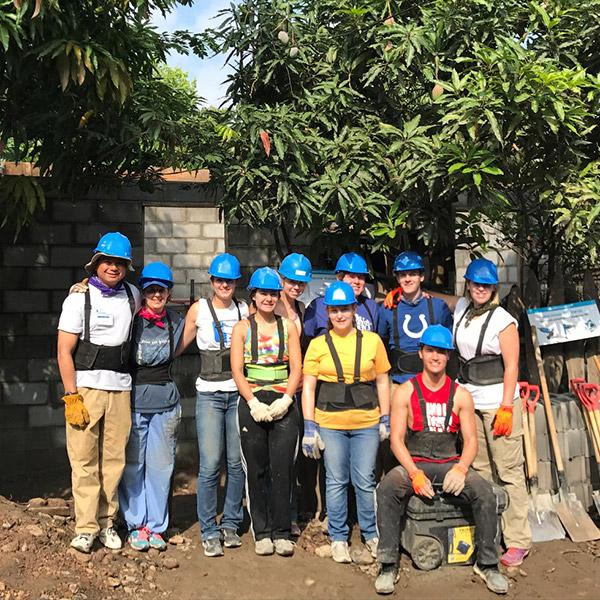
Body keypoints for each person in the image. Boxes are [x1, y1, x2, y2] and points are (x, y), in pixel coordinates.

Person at [374, 325, 508, 595]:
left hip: (449, 462)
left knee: (485, 492)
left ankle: (488, 563)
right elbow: (396, 440)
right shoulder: (405, 391)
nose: (436, 356)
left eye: (441, 352)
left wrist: (460, 468)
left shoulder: (460, 395)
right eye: (430, 350)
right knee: (387, 488)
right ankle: (388, 563)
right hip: (415, 463)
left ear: (449, 357)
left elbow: (470, 441)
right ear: (421, 353)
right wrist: (413, 473)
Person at [57, 232, 141, 553]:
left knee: (114, 460)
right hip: (86, 391)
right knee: (83, 459)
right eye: (107, 261)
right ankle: (85, 528)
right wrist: (71, 395)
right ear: (96, 263)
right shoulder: (78, 298)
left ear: (126, 267)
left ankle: (108, 523)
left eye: (119, 262)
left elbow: (160, 299)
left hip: (120, 390)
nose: (113, 267)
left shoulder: (132, 295)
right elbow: (64, 351)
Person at [301, 281, 391, 564]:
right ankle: (339, 537)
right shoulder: (317, 345)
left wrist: (385, 417)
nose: (340, 315)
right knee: (336, 480)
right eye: (335, 310)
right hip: (330, 421)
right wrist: (309, 426)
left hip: (366, 420)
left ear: (354, 309)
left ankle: (370, 533)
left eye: (345, 309)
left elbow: (382, 380)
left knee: (365, 480)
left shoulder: (372, 341)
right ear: (327, 312)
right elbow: (308, 387)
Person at [452, 258, 532, 567]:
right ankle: (489, 533)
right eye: (476, 284)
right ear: (468, 286)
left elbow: (512, 365)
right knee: (481, 470)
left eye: (486, 285)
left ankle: (518, 540)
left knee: (508, 470)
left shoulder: (503, 320)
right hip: (469, 401)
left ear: (493, 288)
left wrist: (506, 407)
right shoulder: (462, 309)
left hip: (499, 401)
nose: (481, 289)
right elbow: (442, 299)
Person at [179, 253, 249, 557]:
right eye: (219, 279)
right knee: (209, 465)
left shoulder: (244, 309)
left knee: (236, 463)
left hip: (237, 393)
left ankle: (231, 523)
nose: (224, 285)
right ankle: (208, 529)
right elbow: (178, 344)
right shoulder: (199, 310)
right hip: (209, 393)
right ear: (211, 281)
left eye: (229, 280)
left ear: (236, 283)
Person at [230, 267, 302, 557]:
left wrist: (286, 399)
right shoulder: (242, 328)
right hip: (253, 402)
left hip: (282, 400)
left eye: (273, 293)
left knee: (283, 467)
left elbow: (297, 367)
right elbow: (237, 369)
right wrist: (252, 402)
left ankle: (282, 531)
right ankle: (261, 531)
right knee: (256, 468)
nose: (269, 298)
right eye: (263, 293)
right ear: (254, 295)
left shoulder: (288, 327)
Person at [118, 262, 185, 552]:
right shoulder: (131, 320)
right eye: (151, 290)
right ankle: (136, 524)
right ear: (143, 293)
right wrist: (81, 285)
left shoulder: (176, 321)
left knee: (161, 466)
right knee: (134, 465)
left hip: (166, 404)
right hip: (134, 402)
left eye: (162, 290)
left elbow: (208, 311)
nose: (157, 295)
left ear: (169, 293)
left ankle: (156, 526)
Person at [378, 251, 453, 385]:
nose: (407, 279)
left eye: (413, 274)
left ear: (422, 277)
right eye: (403, 275)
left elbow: (450, 345)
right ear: (397, 279)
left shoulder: (438, 307)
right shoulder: (388, 308)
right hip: (398, 382)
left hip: (432, 382)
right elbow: (381, 344)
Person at [277, 252, 313, 535]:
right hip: (274, 388)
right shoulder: (269, 306)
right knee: (277, 453)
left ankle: (291, 512)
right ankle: (276, 512)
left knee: (294, 454)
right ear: (282, 279)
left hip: (299, 389)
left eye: (300, 283)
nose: (296, 287)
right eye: (291, 281)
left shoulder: (303, 309)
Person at [303, 252, 379, 339]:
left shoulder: (371, 306)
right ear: (339, 277)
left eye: (361, 277)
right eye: (352, 276)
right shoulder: (318, 305)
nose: (357, 281)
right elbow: (307, 339)